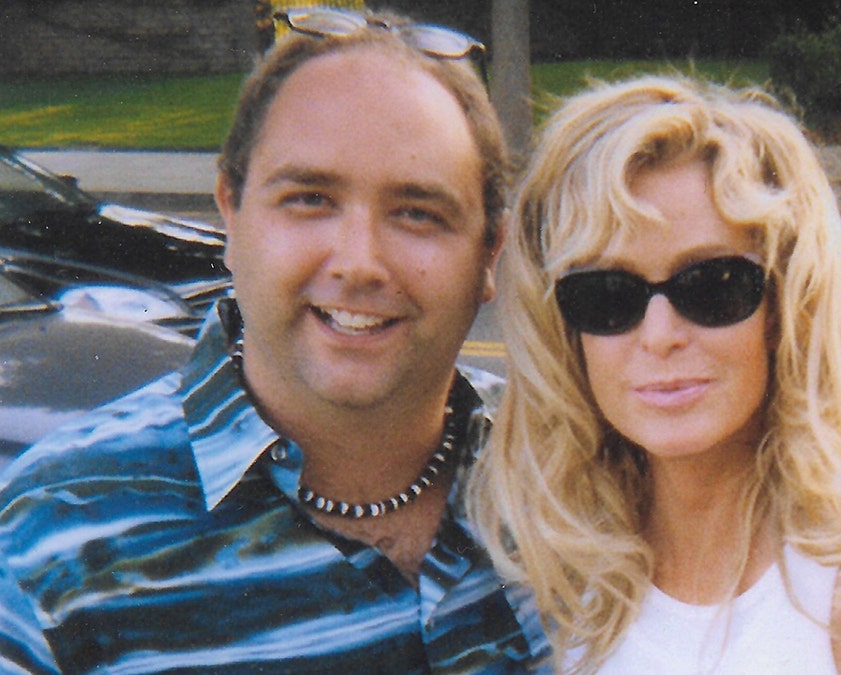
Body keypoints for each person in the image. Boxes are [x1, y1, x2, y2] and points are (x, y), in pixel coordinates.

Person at [0, 7, 548, 672]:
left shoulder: (573, 479)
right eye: (310, 199)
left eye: (417, 213)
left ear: (488, 253)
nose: (359, 262)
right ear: (231, 212)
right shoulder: (46, 543)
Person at [468, 74, 841, 674]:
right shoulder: (568, 564)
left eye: (712, 284)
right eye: (606, 294)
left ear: (788, 306)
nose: (659, 335)